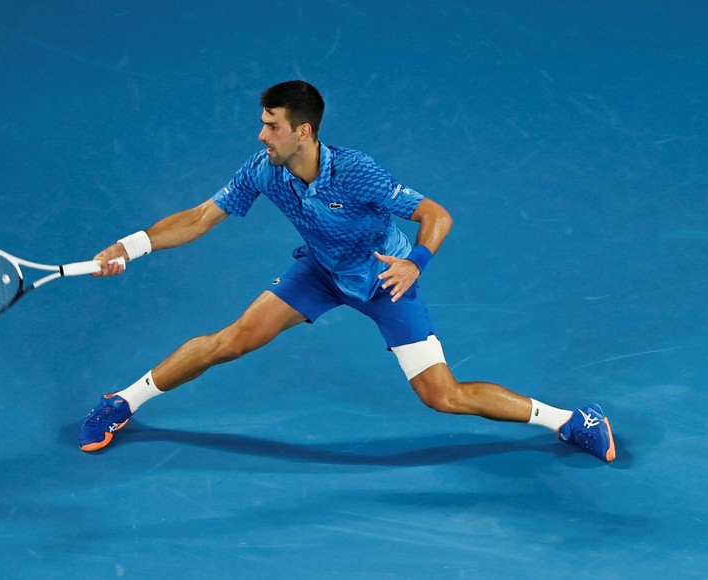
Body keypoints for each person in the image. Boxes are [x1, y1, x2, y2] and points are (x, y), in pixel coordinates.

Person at [78, 80, 616, 462]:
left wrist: (414, 263)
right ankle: (121, 401)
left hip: (385, 278)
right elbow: (199, 218)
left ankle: (573, 421)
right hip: (319, 271)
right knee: (232, 341)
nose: (262, 136)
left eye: (271, 126)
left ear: (303, 130)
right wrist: (130, 246)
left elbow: (436, 215)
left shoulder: (355, 172)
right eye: (262, 124)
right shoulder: (264, 171)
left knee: (443, 396)